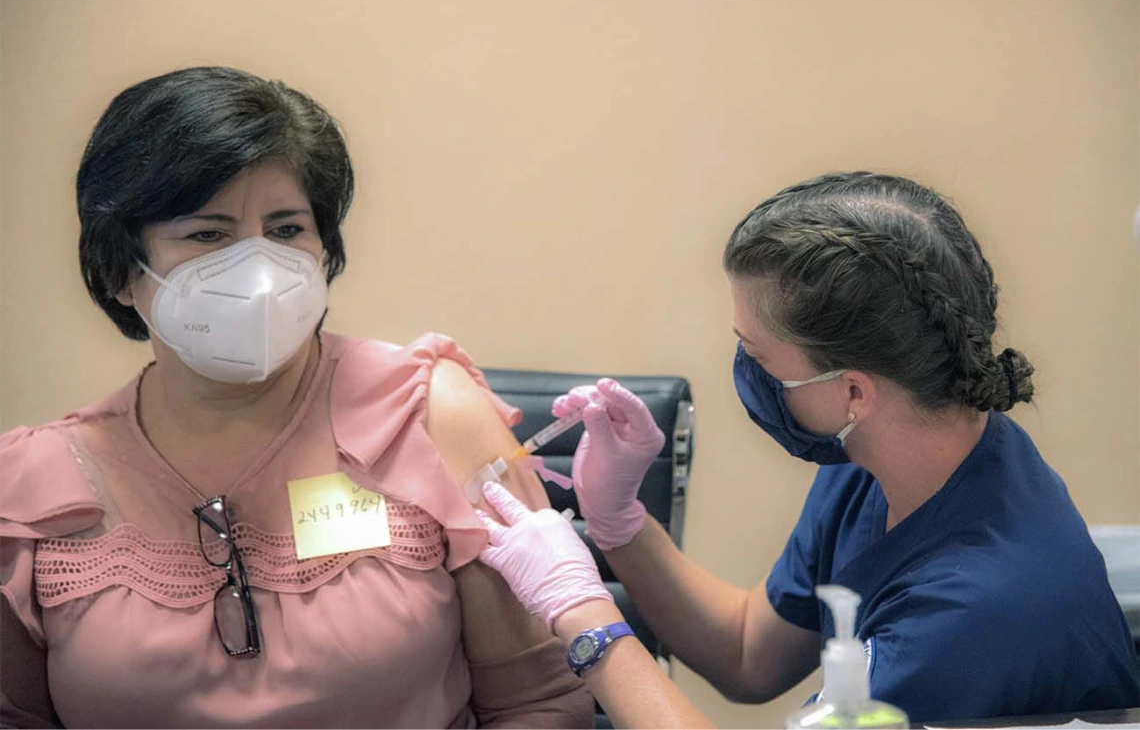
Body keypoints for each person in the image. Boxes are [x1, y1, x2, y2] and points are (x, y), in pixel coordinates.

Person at [0, 66, 592, 728]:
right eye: (208, 234)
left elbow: (539, 702)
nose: (257, 274)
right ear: (120, 271)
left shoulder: (430, 415)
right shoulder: (32, 488)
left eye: (286, 230)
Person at [476, 172, 1140, 728]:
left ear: (853, 391)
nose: (746, 369)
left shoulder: (969, 614)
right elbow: (748, 653)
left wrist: (584, 616)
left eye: (757, 352)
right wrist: (618, 520)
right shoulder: (883, 463)